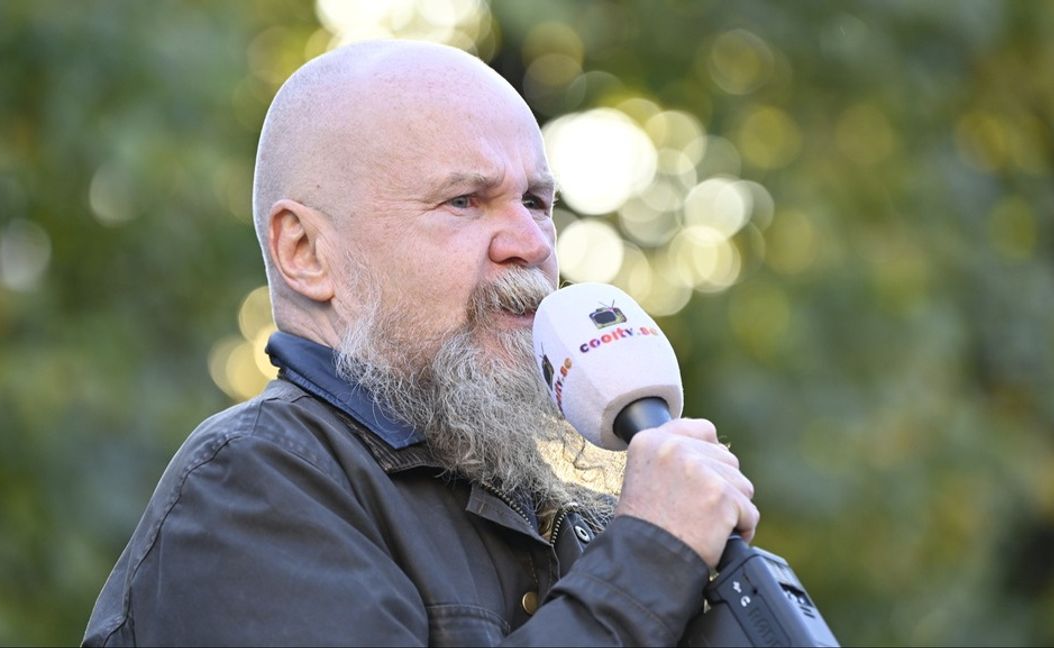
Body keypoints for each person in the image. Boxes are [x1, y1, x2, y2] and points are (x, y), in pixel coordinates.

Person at [82, 39, 758, 647]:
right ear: (307, 251)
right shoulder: (251, 485)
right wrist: (649, 557)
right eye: (464, 200)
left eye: (535, 203)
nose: (530, 244)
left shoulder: (547, 503)